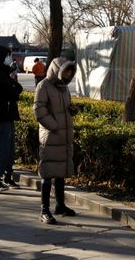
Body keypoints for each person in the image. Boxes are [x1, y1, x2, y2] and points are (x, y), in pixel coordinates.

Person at [34, 57, 78, 224]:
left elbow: (64, 108)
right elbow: (39, 110)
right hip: (51, 137)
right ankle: (44, 209)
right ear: (56, 70)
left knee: (60, 173)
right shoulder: (43, 86)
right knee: (47, 173)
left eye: (70, 73)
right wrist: (55, 126)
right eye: (65, 71)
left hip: (64, 136)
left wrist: (72, 109)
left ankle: (60, 205)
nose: (67, 75)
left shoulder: (64, 88)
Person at [0, 45, 23, 193]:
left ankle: (7, 176)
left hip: (7, 115)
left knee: (9, 149)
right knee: (2, 149)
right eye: (7, 56)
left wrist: (13, 84)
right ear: (0, 57)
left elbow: (17, 89)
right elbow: (10, 93)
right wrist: (13, 86)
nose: (9, 59)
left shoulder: (4, 73)